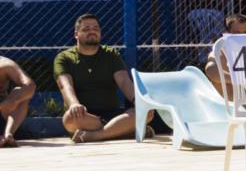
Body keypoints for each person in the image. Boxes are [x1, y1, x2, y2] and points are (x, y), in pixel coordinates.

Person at [55, 14, 146, 143]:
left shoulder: (111, 54)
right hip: (86, 116)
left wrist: (137, 101)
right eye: (86, 29)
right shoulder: (64, 58)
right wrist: (74, 104)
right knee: (69, 120)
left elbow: (124, 81)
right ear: (76, 34)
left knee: (146, 113)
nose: (92, 31)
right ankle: (123, 131)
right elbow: (65, 86)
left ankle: (95, 136)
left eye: (96, 29)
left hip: (114, 114)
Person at [0, 56, 36, 147]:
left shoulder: (5, 64)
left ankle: (8, 134)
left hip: (3, 112)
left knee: (20, 94)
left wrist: (12, 101)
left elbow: (30, 86)